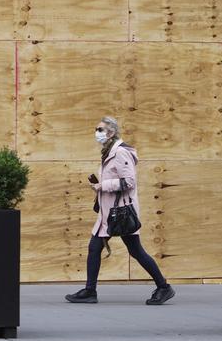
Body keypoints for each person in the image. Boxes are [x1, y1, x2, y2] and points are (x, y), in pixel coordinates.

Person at [65, 116, 174, 305]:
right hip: (108, 213)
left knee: (136, 250)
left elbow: (129, 182)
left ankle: (163, 287)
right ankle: (90, 291)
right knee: (94, 248)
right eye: (96, 129)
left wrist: (102, 186)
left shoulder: (121, 153)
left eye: (100, 129)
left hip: (120, 213)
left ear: (111, 132)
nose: (97, 133)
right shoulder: (108, 152)